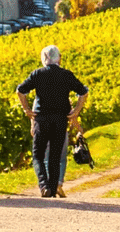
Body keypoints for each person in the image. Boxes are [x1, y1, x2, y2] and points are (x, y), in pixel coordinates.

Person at [15, 44, 88, 198]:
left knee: (38, 155)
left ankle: (44, 186)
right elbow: (83, 92)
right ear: (58, 59)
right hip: (61, 120)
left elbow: (20, 91)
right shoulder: (67, 75)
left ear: (45, 59)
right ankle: (53, 189)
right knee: (55, 156)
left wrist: (26, 109)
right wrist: (76, 111)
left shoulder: (37, 74)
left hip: (42, 119)